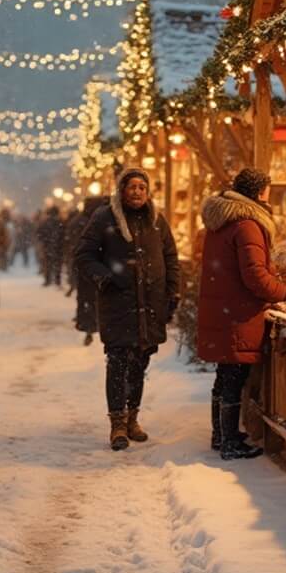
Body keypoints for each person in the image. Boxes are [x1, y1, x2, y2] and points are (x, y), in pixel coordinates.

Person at [74, 167, 180, 450]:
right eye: (131, 187)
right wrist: (106, 276)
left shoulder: (156, 220)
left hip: (150, 305)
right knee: (119, 362)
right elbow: (83, 255)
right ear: (122, 190)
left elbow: (170, 256)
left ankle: (133, 418)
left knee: (140, 363)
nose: (137, 192)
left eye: (141, 188)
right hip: (118, 305)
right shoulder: (104, 218)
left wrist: (173, 291)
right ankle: (117, 424)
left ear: (148, 192)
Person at [197, 167, 286, 460]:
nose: (269, 196)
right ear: (258, 192)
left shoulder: (223, 221)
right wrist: (284, 291)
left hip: (224, 309)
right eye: (267, 190)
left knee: (224, 376)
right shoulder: (247, 224)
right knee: (234, 377)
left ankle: (222, 435)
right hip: (237, 314)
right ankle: (229, 443)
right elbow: (255, 276)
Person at [72, 194, 109, 345]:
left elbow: (73, 244)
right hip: (100, 267)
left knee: (87, 298)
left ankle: (88, 325)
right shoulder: (103, 221)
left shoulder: (80, 222)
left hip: (85, 268)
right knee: (100, 298)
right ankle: (98, 324)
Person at [37, 205, 66, 287]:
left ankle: (47, 279)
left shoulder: (45, 222)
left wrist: (44, 241)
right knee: (58, 264)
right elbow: (64, 234)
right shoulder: (61, 221)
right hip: (58, 247)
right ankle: (57, 280)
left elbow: (39, 233)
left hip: (47, 246)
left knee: (48, 263)